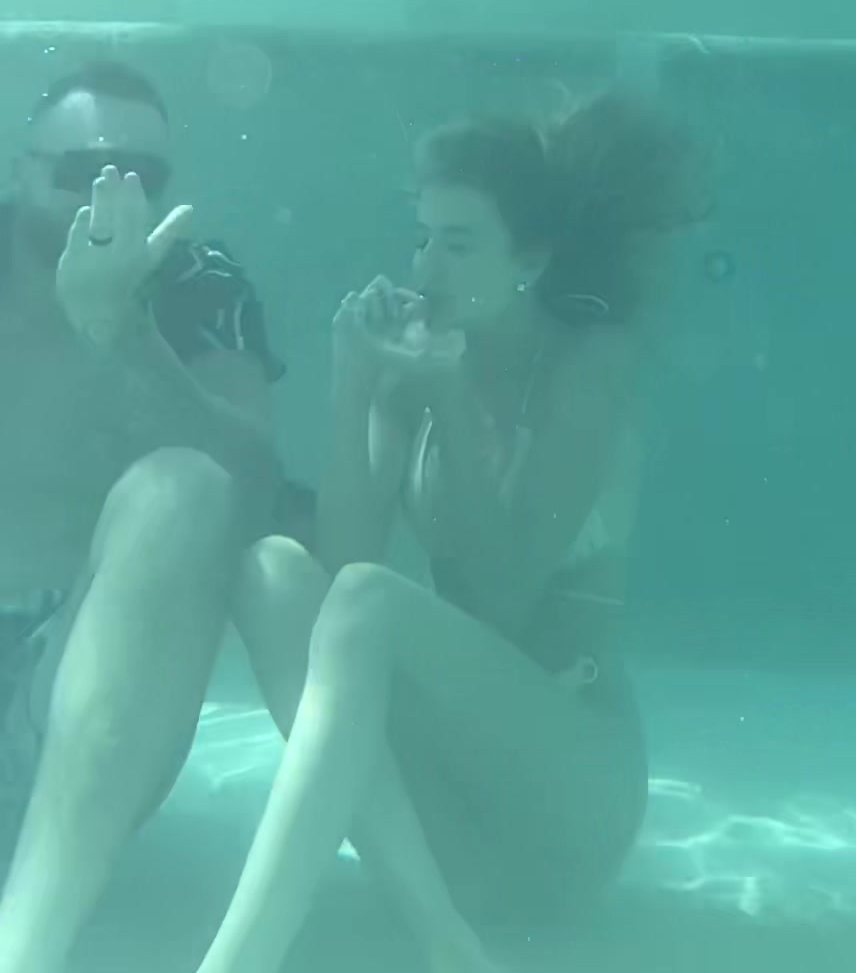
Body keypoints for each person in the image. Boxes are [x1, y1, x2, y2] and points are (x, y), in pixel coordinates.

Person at [195, 91, 698, 973]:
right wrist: (356, 381)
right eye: (421, 237)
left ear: (531, 259)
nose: (425, 267)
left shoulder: (588, 364)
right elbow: (337, 581)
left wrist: (449, 396)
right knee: (273, 572)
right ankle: (440, 929)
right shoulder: (419, 368)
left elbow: (504, 591)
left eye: (458, 244)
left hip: (571, 805)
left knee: (372, 603)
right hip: (458, 839)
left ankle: (240, 959)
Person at [0, 60, 284, 973]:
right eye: (81, 170)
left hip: (70, 704)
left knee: (185, 489)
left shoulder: (196, 282)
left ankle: (24, 948)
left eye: (140, 176)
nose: (108, 197)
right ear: (21, 170)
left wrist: (121, 329)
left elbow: (251, 491)